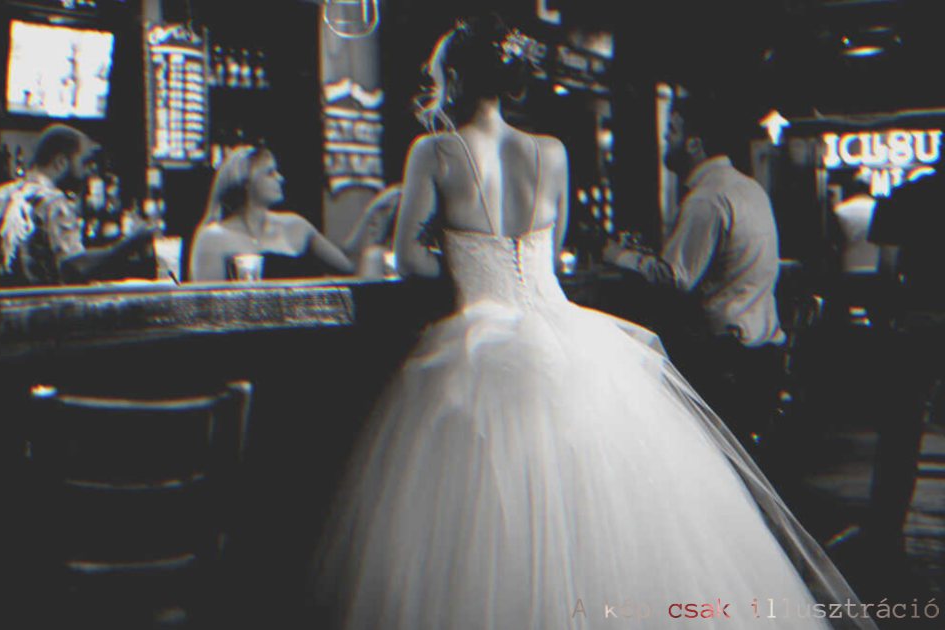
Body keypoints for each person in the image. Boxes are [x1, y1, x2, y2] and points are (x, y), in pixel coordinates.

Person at [313, 14, 873, 630]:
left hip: (478, 336)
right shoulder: (552, 152)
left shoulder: (434, 151)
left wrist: (462, 255)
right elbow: (549, 254)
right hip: (567, 334)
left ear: (455, 78)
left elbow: (410, 262)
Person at [602, 93, 787, 451]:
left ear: (694, 143)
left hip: (725, 361)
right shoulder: (749, 188)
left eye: (671, 132)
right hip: (763, 354)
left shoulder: (707, 198)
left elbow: (676, 278)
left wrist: (618, 256)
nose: (665, 141)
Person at [862, 171, 945, 556]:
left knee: (901, 430)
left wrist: (886, 321)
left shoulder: (904, 196)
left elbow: (887, 268)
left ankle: (885, 528)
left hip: (916, 322)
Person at [0, 123, 153, 285]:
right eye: (84, 163)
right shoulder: (53, 201)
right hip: (42, 305)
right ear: (60, 162)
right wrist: (127, 246)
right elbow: (75, 269)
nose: (88, 172)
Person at [189, 144, 354, 281]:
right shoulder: (212, 238)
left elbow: (349, 269)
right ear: (245, 182)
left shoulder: (296, 225)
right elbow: (207, 305)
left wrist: (369, 217)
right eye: (270, 173)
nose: (280, 178)